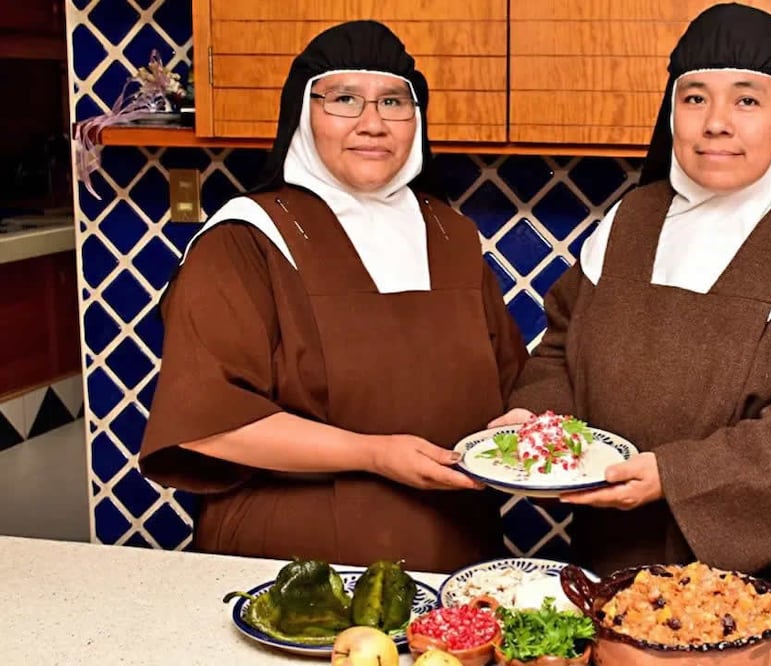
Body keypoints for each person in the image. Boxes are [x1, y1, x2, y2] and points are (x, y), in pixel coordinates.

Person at [492, 3, 771, 609]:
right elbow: (560, 345)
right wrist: (538, 423)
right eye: (694, 99)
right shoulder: (631, 221)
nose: (715, 123)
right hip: (618, 556)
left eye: (746, 101)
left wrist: (673, 476)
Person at [139, 21, 527, 572]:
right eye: (344, 99)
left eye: (393, 101)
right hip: (292, 564)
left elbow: (511, 386)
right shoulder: (246, 238)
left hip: (458, 557)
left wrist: (525, 427)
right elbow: (210, 424)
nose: (372, 123)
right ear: (303, 112)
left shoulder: (452, 234)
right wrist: (374, 454)